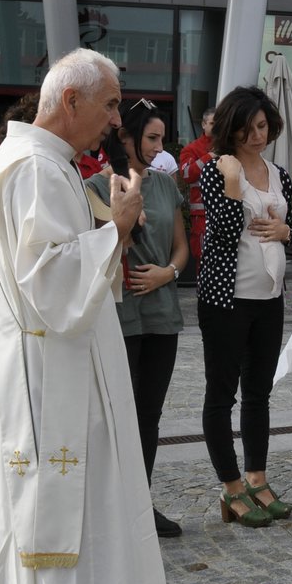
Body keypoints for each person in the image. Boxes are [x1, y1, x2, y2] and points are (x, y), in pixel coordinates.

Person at [0, 47, 164, 584]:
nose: (114, 120)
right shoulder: (38, 167)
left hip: (45, 362)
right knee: (68, 503)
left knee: (53, 504)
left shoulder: (32, 160)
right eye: (108, 105)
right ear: (69, 100)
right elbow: (50, 280)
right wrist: (119, 229)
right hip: (52, 372)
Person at [85, 101, 189, 539]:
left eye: (162, 138)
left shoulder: (166, 186)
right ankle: (108, 508)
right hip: (119, 314)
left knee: (149, 415)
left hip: (162, 314)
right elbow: (100, 250)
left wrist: (171, 271)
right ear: (126, 138)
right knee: (113, 416)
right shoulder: (94, 184)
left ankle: (139, 504)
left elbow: (182, 246)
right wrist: (125, 220)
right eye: (152, 138)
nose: (160, 146)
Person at [196, 86, 292, 529]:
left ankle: (257, 478)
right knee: (222, 393)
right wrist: (235, 183)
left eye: (262, 126)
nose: (258, 136)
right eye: (248, 128)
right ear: (230, 129)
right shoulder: (216, 169)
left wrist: (286, 232)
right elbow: (220, 232)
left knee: (260, 391)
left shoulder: (279, 173)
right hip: (226, 298)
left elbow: (291, 223)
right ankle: (231, 486)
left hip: (270, 296)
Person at [177, 108, 215, 268]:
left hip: (226, 214)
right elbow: (186, 174)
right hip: (202, 216)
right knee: (204, 259)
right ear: (204, 125)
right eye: (213, 123)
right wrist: (208, 157)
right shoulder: (191, 149)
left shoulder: (231, 147)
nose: (217, 126)